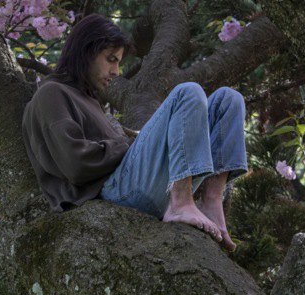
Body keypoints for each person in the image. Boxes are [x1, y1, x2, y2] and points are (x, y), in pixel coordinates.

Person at [22, 14, 248, 251]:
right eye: (111, 60)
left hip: (135, 182)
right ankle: (181, 201)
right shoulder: (51, 93)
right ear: (86, 52)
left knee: (228, 100)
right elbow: (75, 164)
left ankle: (212, 200)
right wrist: (128, 144)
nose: (116, 71)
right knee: (188, 92)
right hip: (112, 191)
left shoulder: (89, 100)